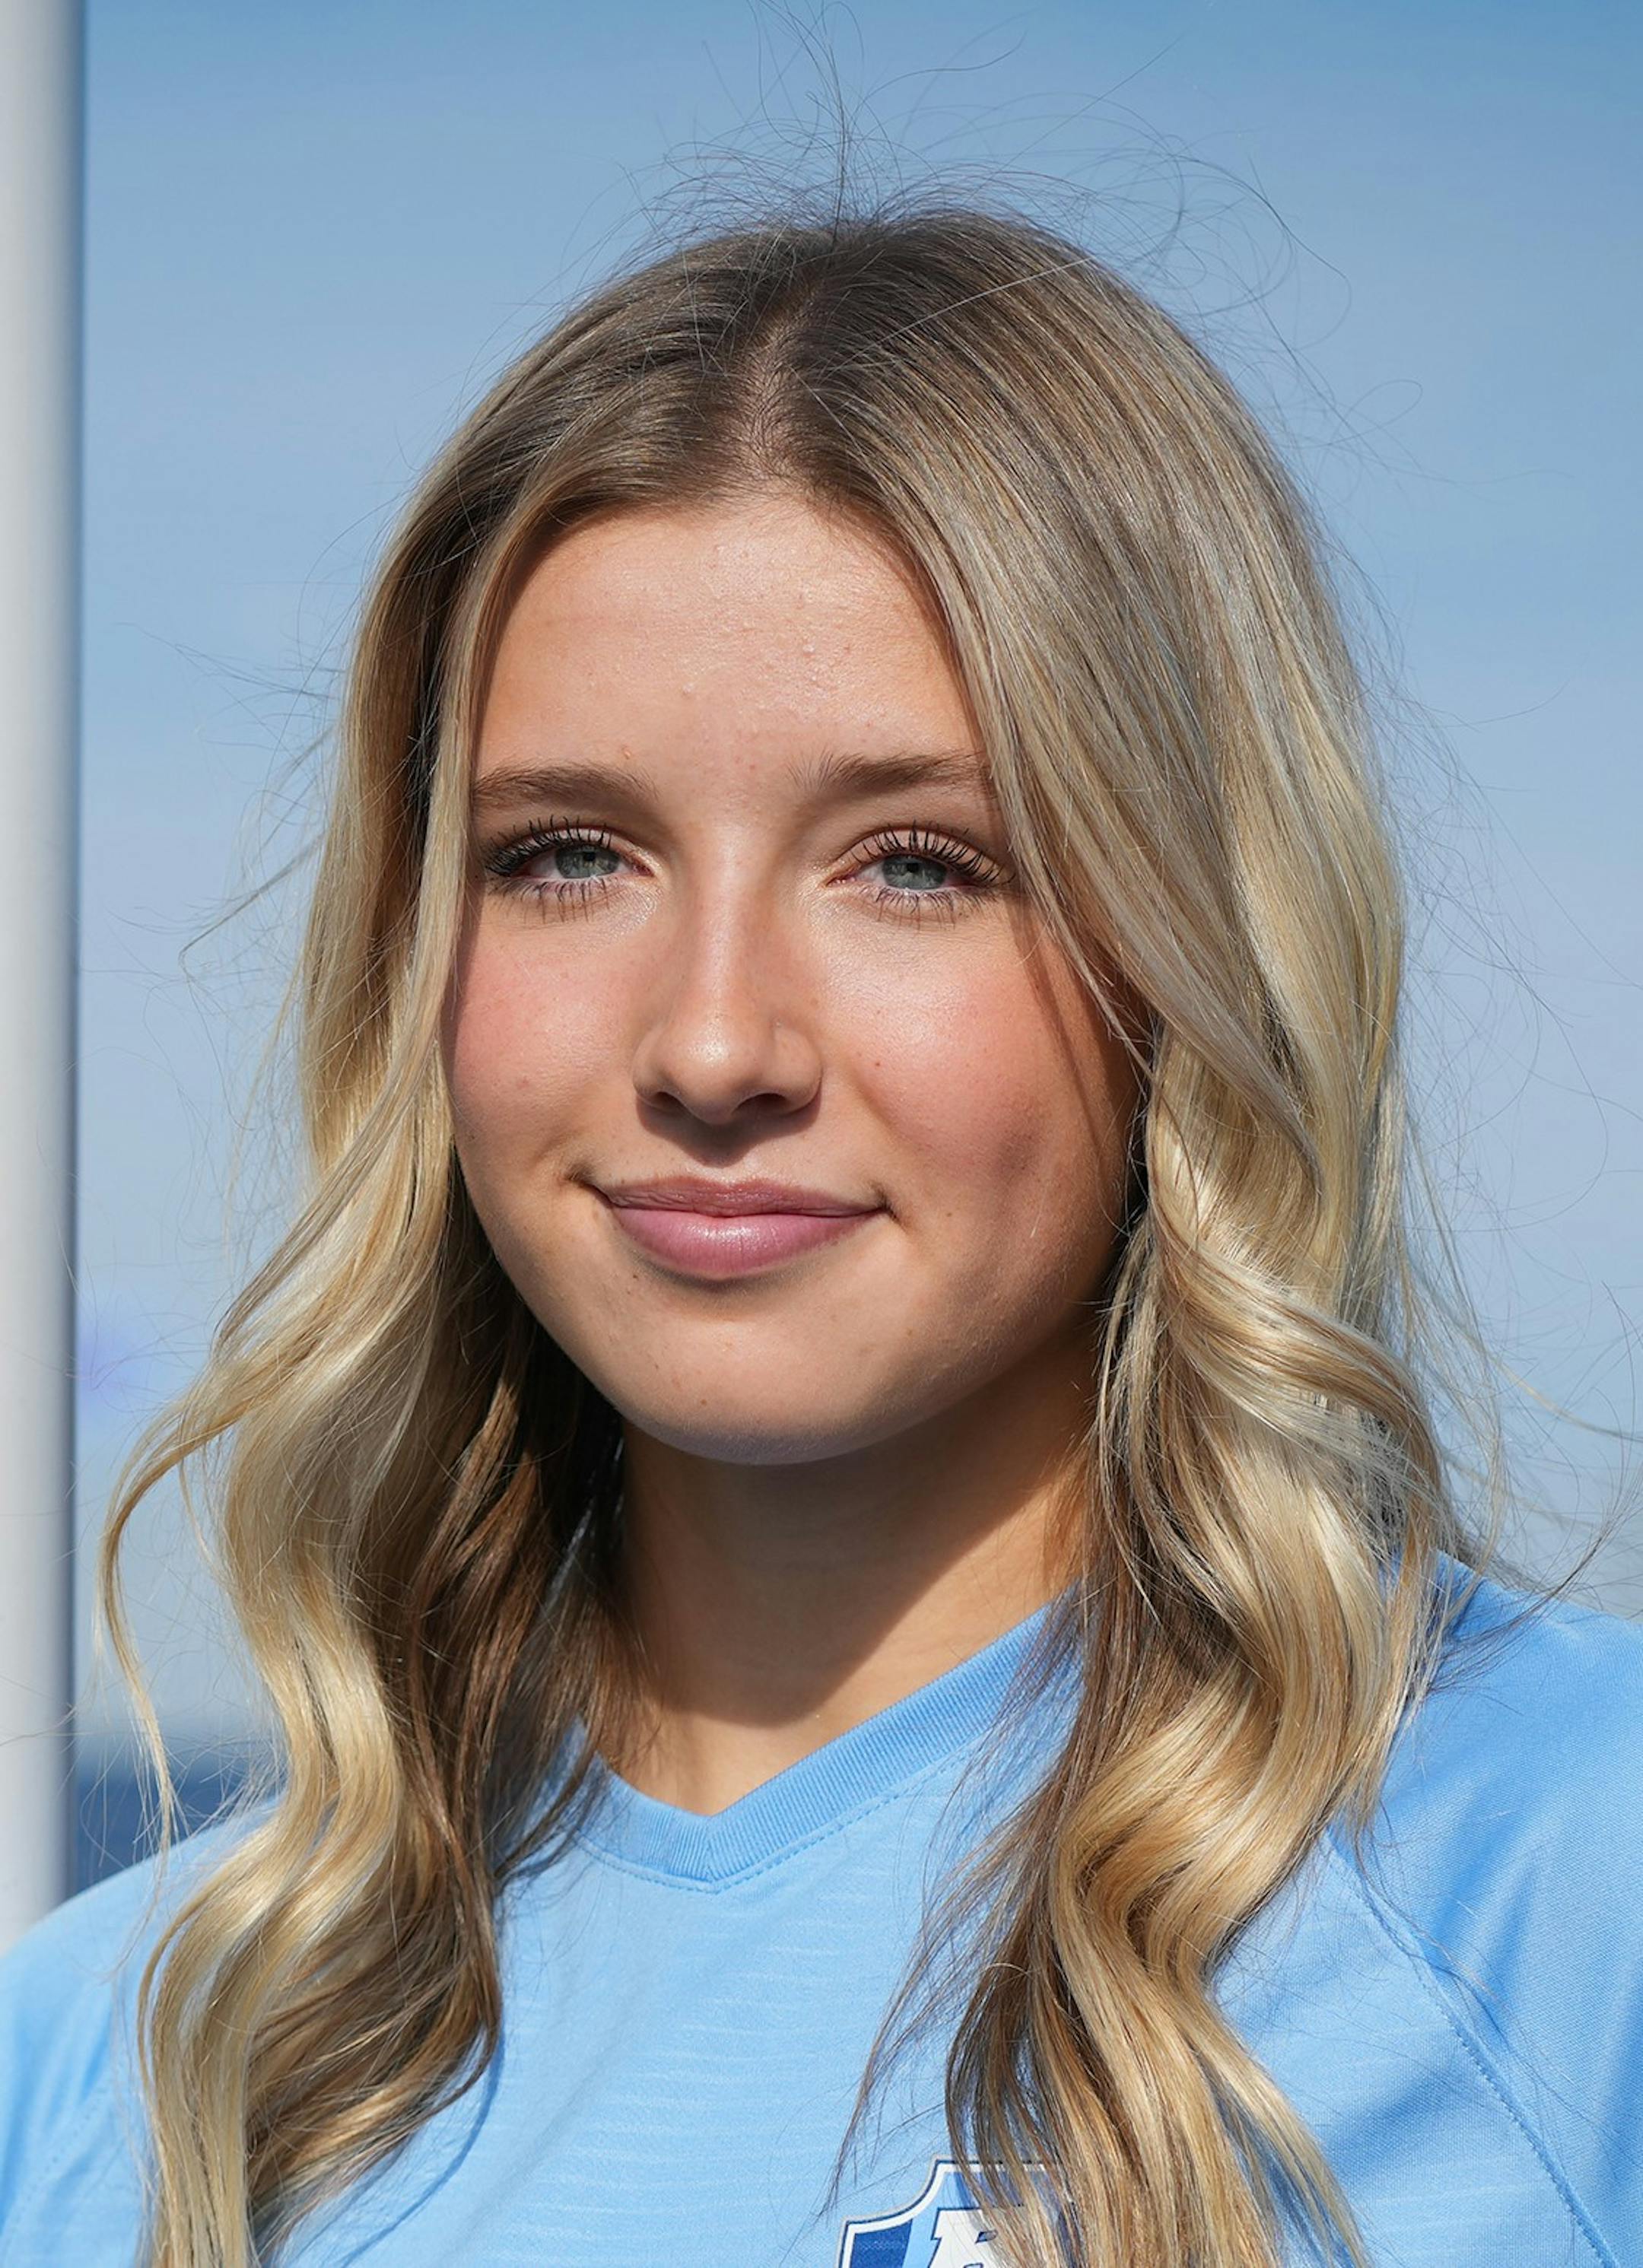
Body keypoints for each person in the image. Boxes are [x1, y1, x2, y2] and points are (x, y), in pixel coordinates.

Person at [0, 194, 1638, 2268]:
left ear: (1194, 949)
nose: (711, 1043)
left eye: (919, 865)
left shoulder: (1568, 1883)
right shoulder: (124, 2073)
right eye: (569, 855)